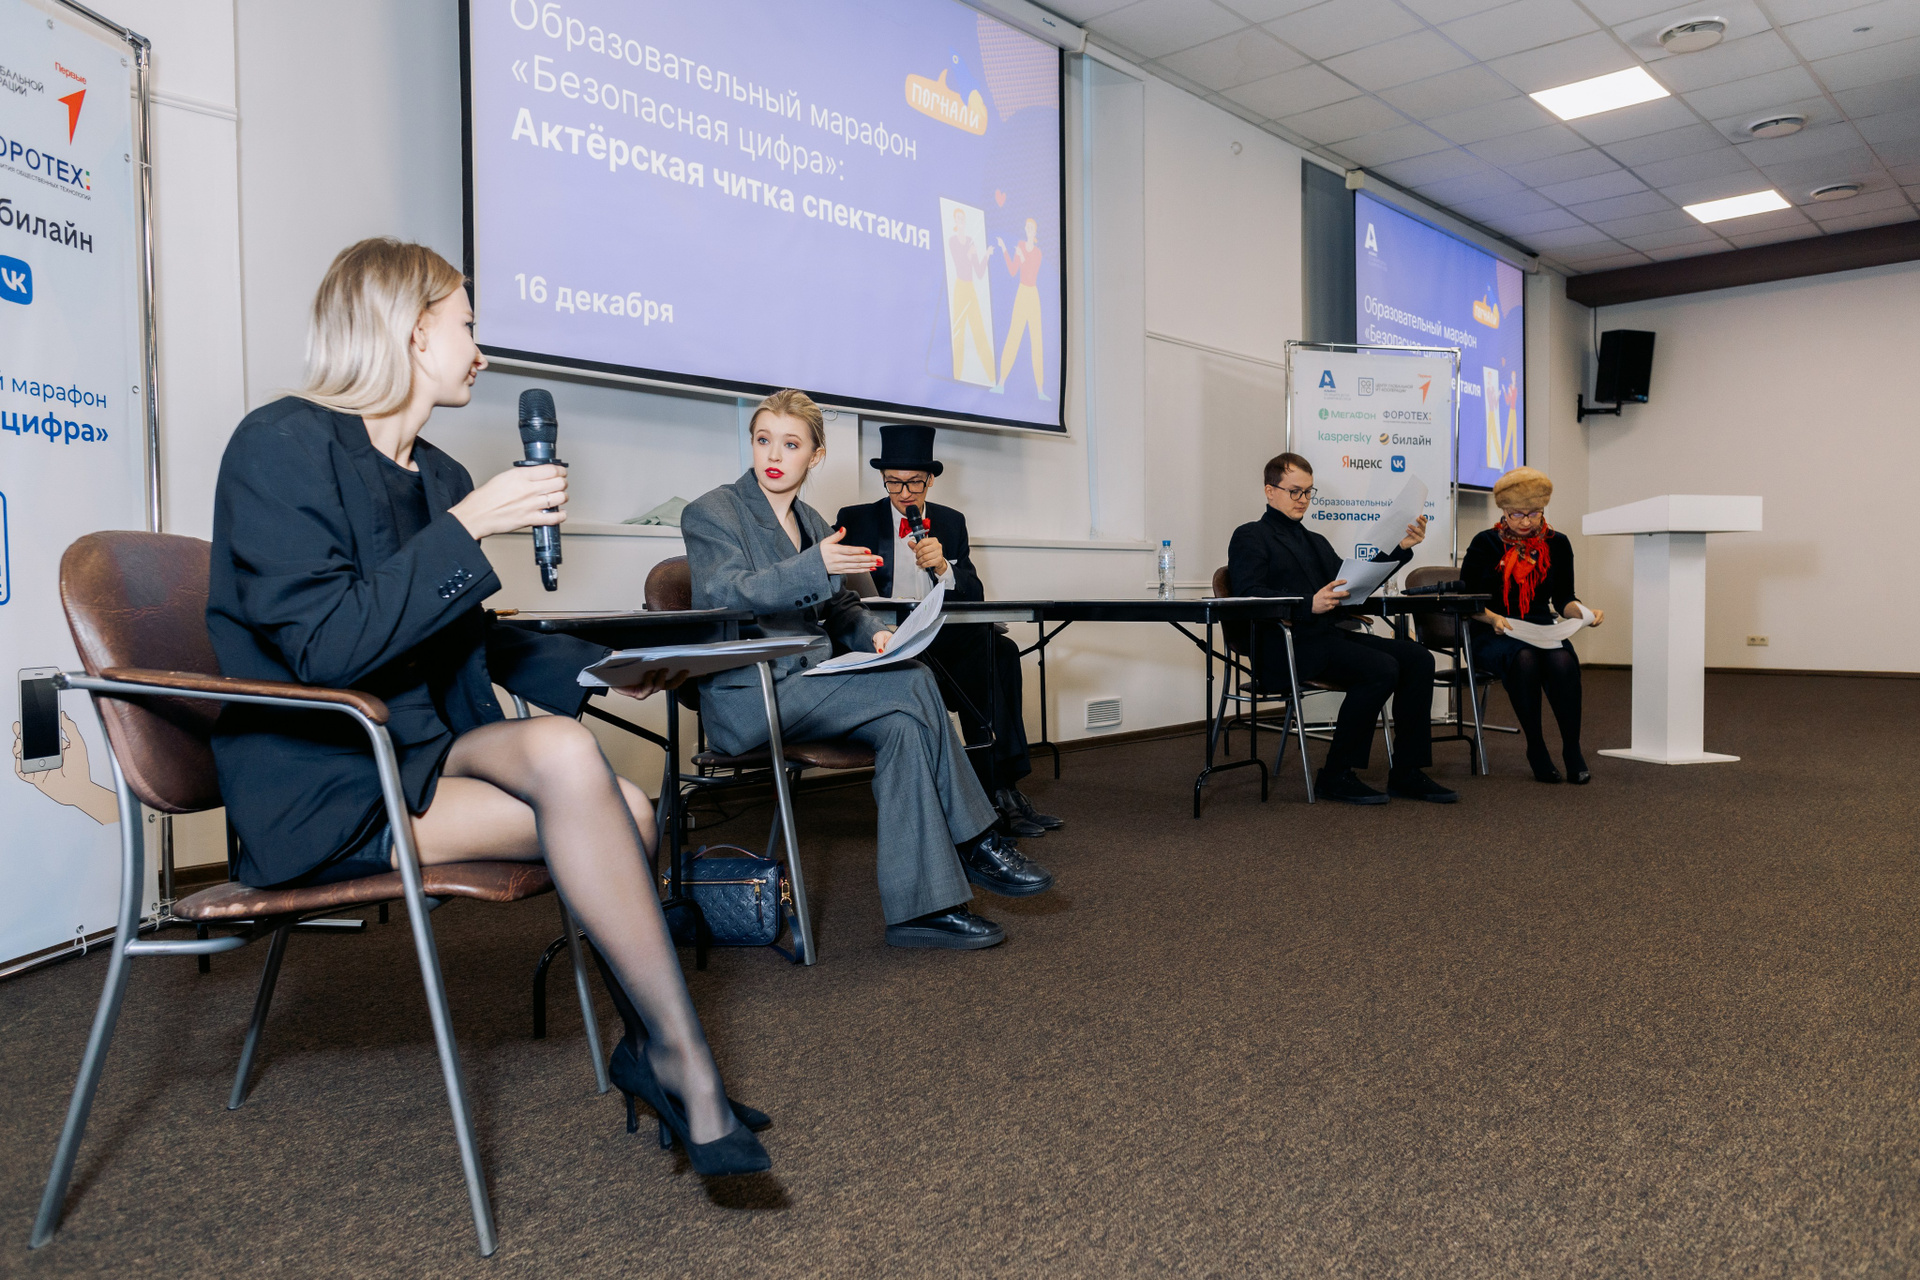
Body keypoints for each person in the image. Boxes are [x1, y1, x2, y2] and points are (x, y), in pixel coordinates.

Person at [205, 239, 768, 1176]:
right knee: (616, 804)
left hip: (427, 748)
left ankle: (663, 1053)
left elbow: (470, 642)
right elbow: (324, 650)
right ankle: (680, 1064)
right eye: (467, 326)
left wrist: (608, 673)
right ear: (411, 329)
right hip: (327, 777)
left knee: (599, 781)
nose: (482, 350)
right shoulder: (279, 445)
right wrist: (469, 529)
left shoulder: (439, 477)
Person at [680, 389, 1054, 950]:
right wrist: (815, 565)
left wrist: (874, 635)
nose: (774, 455)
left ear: (815, 455)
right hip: (752, 695)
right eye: (763, 440)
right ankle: (977, 839)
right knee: (916, 680)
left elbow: (841, 608)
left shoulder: (810, 520)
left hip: (808, 685)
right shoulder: (713, 511)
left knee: (904, 728)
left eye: (791, 444)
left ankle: (922, 910)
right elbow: (724, 592)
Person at [833, 423, 1061, 839]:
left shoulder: (951, 523)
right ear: (883, 479)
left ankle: (1001, 789)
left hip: (938, 637)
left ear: (930, 480)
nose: (904, 493)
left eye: (914, 483)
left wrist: (943, 567)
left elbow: (974, 593)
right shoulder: (855, 519)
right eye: (894, 482)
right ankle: (992, 797)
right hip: (884, 639)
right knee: (984, 659)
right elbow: (836, 591)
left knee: (1001, 652)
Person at [1226, 452, 1457, 805]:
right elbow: (1248, 594)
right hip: (1284, 647)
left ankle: (1407, 771)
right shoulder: (1250, 536)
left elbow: (1349, 583)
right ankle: (1335, 774)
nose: (1303, 499)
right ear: (1270, 491)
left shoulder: (1315, 541)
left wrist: (1400, 549)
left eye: (1308, 492)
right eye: (1294, 491)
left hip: (1324, 638)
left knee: (1418, 658)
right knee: (1381, 668)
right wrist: (1308, 603)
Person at [1460, 466, 1602, 785]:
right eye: (1517, 514)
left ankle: (1572, 749)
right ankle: (1536, 747)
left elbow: (1563, 598)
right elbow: (1467, 601)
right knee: (1524, 658)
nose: (1526, 522)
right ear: (1503, 512)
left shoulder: (1558, 543)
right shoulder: (1485, 543)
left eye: (1534, 514)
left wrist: (1584, 613)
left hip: (1540, 626)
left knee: (1562, 660)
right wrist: (1492, 618)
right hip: (1491, 628)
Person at [994, 218, 1047, 399]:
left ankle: (1040, 390)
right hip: (1021, 293)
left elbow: (1032, 274)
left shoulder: (1037, 252)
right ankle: (1001, 383)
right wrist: (1004, 249)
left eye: (1032, 227)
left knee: (1036, 341)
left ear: (1035, 232)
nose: (1029, 229)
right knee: (1013, 336)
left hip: (1033, 295)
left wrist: (1023, 257)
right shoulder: (1020, 245)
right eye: (1027, 227)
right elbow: (1012, 270)